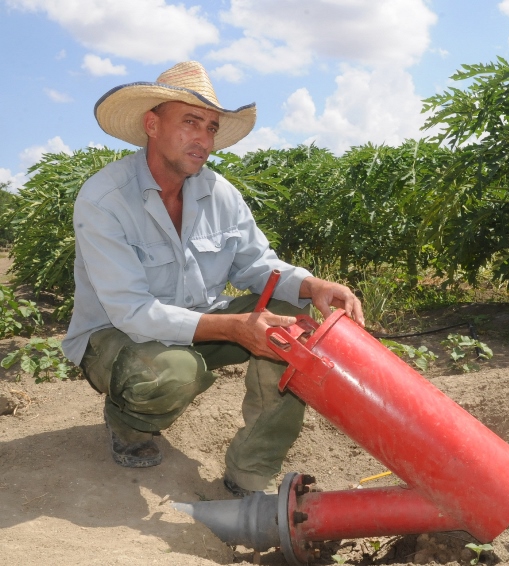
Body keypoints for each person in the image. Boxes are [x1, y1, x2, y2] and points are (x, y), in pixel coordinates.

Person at [63, 61, 364, 497]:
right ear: (152, 124)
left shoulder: (219, 193)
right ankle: (128, 424)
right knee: (170, 374)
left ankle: (249, 475)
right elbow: (133, 312)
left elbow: (259, 267)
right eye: (190, 122)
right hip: (117, 335)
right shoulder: (104, 200)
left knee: (293, 325)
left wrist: (312, 286)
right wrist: (235, 328)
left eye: (210, 127)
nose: (204, 140)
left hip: (202, 321)